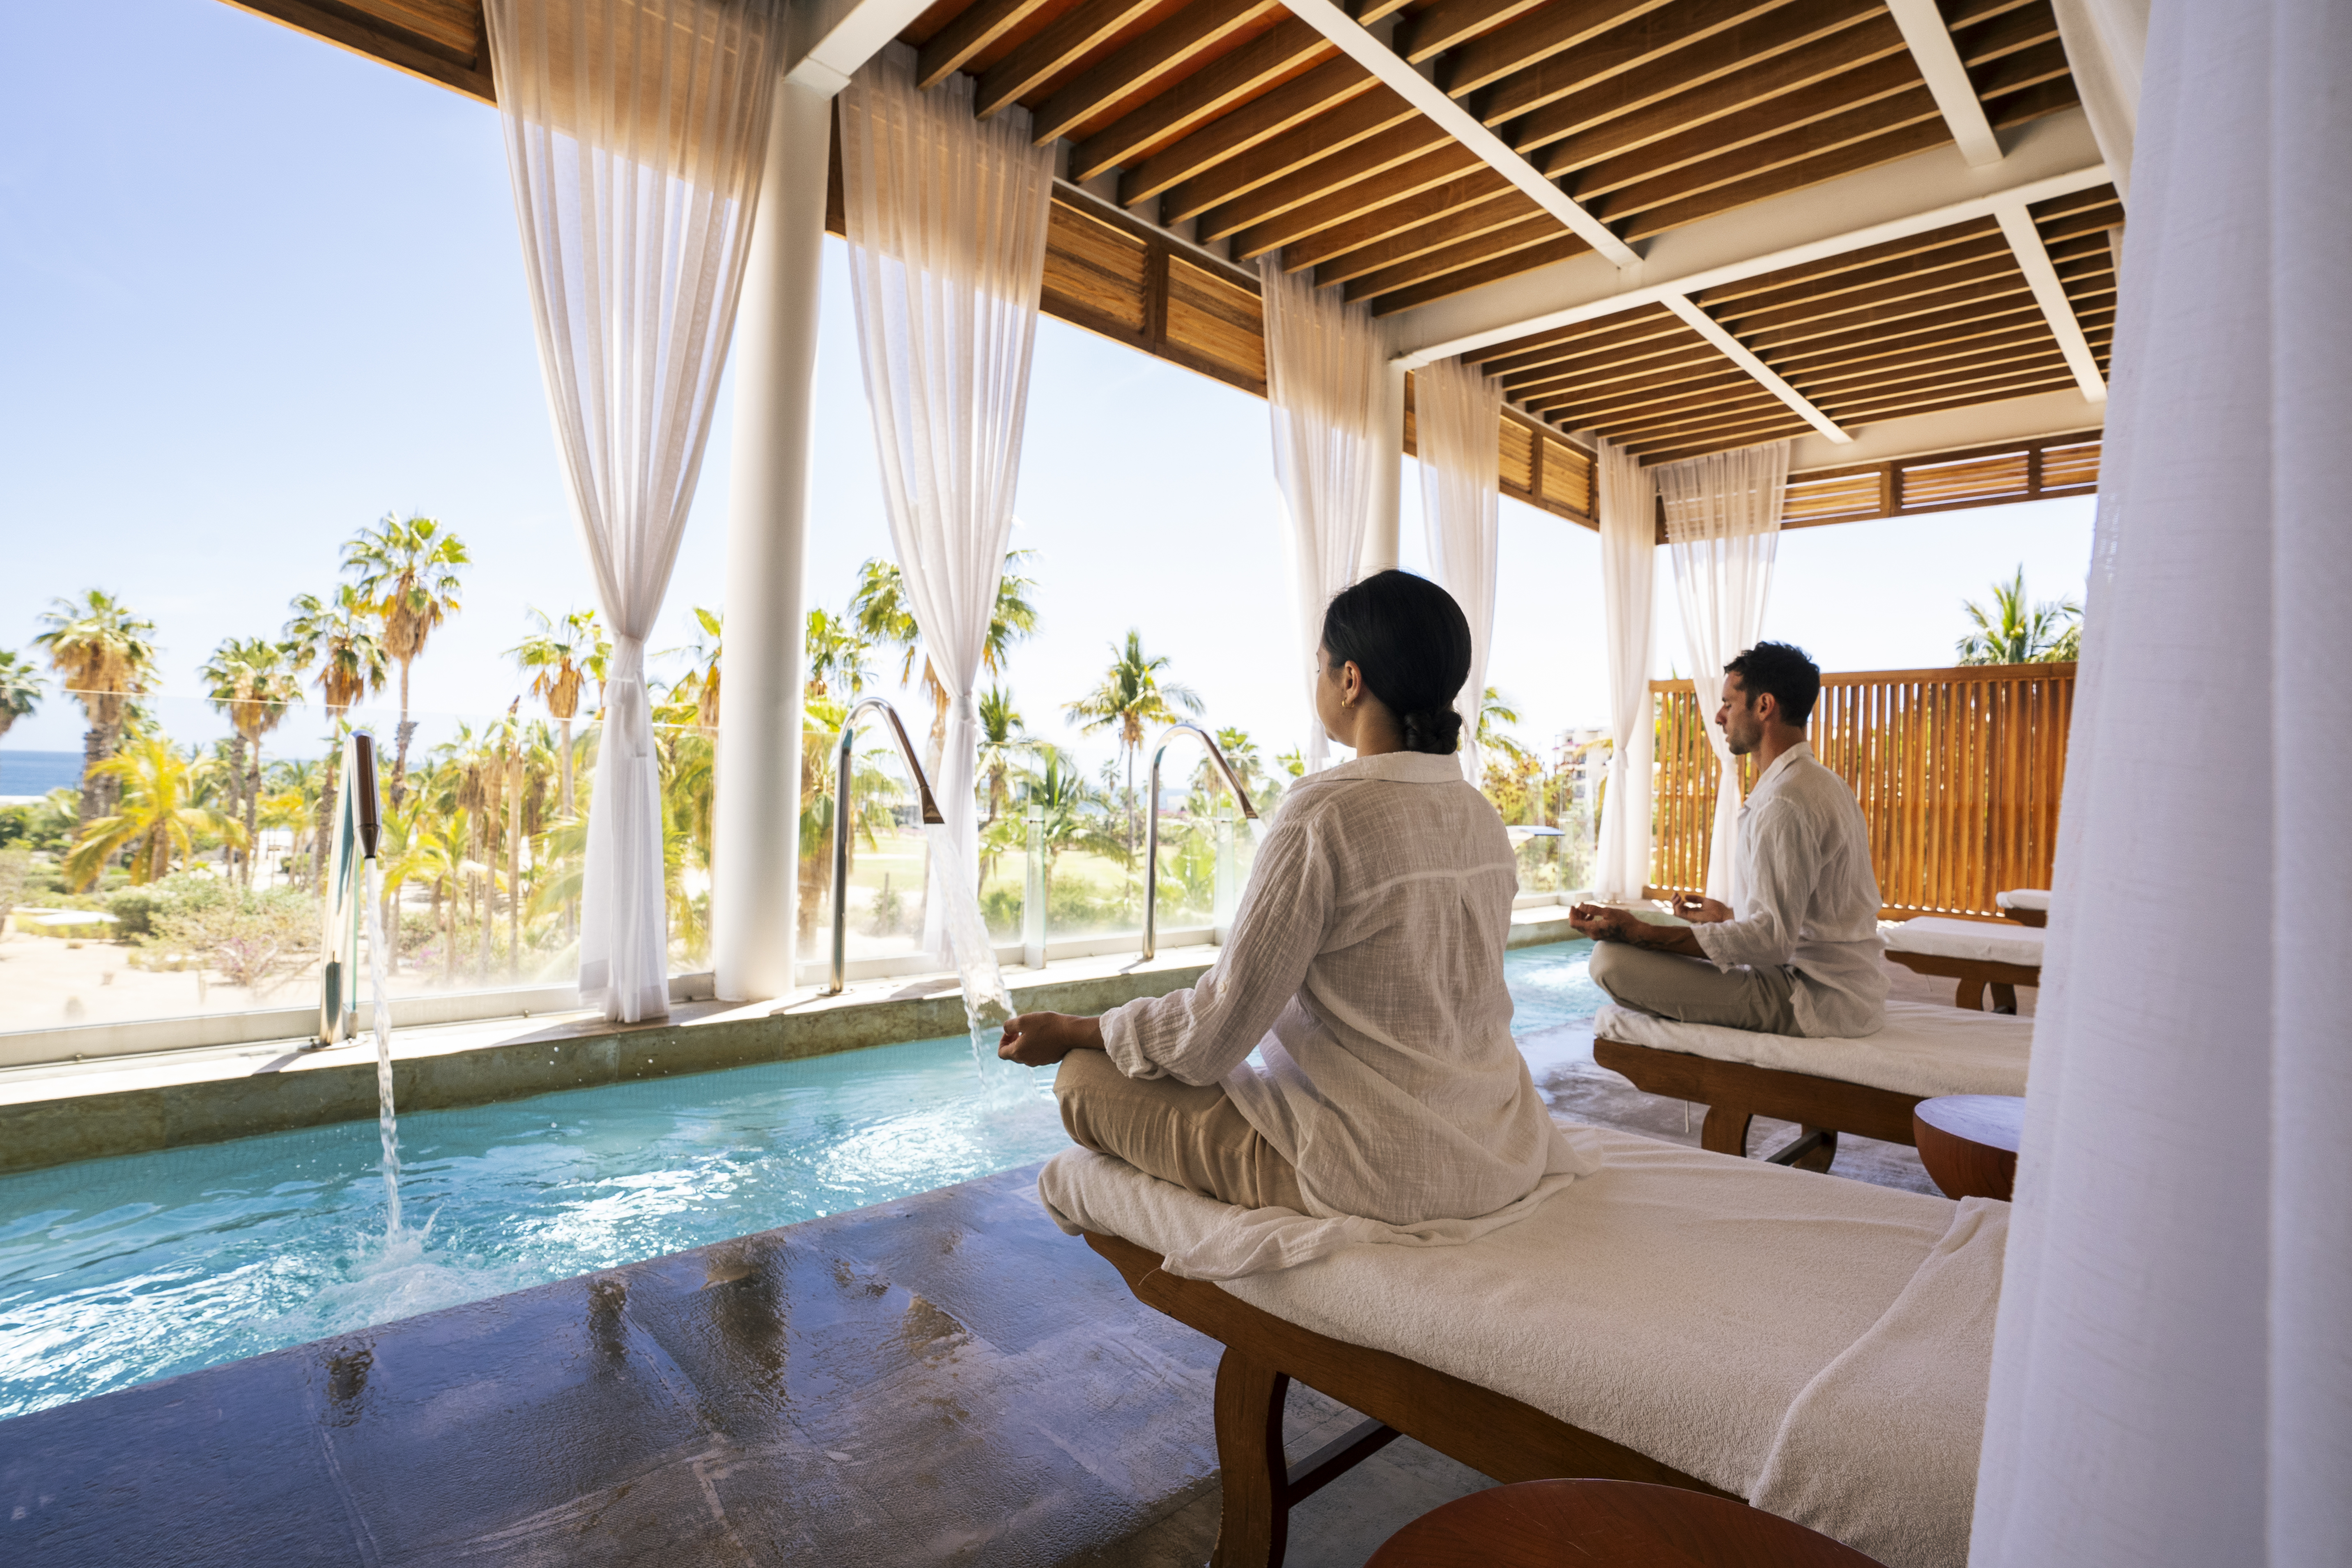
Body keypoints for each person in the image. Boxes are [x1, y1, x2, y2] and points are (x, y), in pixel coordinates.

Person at [997, 569, 1559, 1225]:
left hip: (1380, 1170)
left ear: (1350, 680)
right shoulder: (1480, 817)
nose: (1319, 680)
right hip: (1499, 1147)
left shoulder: (1324, 814)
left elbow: (1215, 1034)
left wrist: (1077, 1030)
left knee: (1080, 1081)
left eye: (1321, 667)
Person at [1569, 641, 1885, 1038]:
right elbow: (1813, 920)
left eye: (1728, 703)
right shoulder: (1820, 783)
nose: (1719, 716)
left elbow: (1771, 942)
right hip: (1845, 991)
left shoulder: (1786, 802)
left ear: (1764, 706)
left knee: (1609, 962)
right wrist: (1725, 917)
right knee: (1633, 949)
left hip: (1812, 998)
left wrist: (1641, 933)